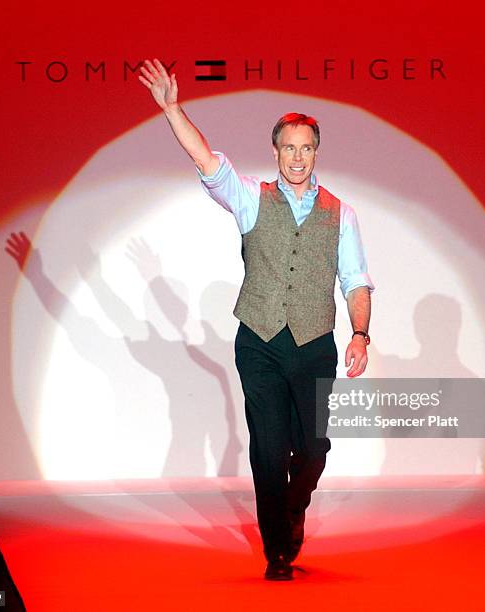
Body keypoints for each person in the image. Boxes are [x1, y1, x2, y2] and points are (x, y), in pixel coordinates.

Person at [139, 58, 374, 580]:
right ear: (276, 151)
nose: (297, 157)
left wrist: (360, 333)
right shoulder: (250, 198)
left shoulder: (343, 213)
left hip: (314, 344)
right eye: (288, 147)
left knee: (312, 448)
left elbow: (356, 280)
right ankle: (277, 551)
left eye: (306, 147)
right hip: (260, 343)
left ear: (316, 152)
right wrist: (173, 109)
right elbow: (207, 161)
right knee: (269, 449)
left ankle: (293, 512)